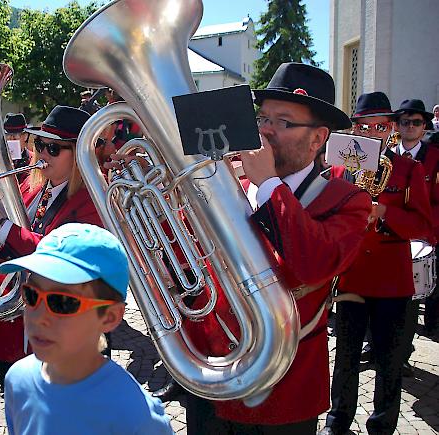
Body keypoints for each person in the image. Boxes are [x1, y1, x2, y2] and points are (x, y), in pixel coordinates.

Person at [175, 63, 372, 434]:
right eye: (262, 117)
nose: (264, 129)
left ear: (318, 139)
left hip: (284, 391)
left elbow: (316, 264)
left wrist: (268, 184)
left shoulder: (347, 199)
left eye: (283, 121)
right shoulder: (229, 183)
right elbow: (187, 261)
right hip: (212, 378)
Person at [0, 105, 103, 391]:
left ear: (78, 154)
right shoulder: (32, 187)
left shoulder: (92, 200)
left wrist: (1, 227)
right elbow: (8, 241)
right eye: (39, 144)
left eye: (54, 148)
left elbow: (61, 255)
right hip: (16, 321)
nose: (41, 154)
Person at [321, 93, 433, 435]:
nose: (372, 133)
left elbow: (426, 226)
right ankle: (337, 422)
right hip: (353, 275)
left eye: (380, 126)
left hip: (392, 278)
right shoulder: (340, 167)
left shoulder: (409, 169)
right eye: (364, 126)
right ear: (355, 129)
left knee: (389, 360)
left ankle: (381, 426)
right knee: (346, 357)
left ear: (391, 130)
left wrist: (385, 212)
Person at [0, 223, 174, 434]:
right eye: (31, 295)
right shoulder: (17, 380)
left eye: (63, 302)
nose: (39, 316)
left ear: (110, 317)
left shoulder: (135, 415)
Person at [393, 99, 439, 372]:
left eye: (416, 123)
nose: (410, 127)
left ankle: (403, 352)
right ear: (397, 126)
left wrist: (423, 233)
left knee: (410, 304)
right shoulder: (385, 156)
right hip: (387, 239)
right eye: (405, 122)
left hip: (419, 240)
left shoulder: (435, 158)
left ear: (424, 127)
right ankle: (374, 344)